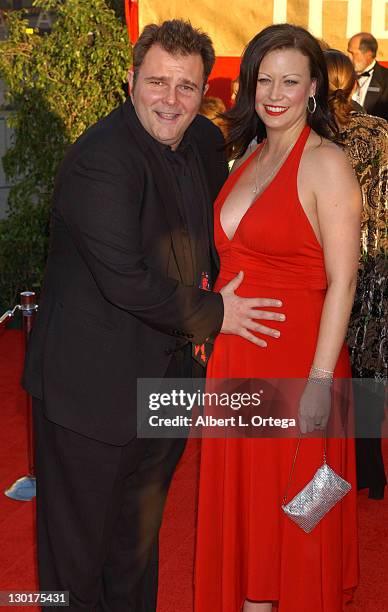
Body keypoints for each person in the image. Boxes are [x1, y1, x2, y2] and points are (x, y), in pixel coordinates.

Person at [22, 20, 285, 611]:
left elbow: (222, 233)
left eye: (187, 87)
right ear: (131, 79)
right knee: (76, 561)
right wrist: (220, 313)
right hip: (88, 393)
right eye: (159, 82)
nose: (172, 100)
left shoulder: (202, 145)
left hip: (166, 384)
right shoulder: (100, 161)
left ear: (202, 92)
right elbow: (127, 282)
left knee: (136, 549)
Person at [194, 24, 361, 611]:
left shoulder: (327, 164)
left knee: (298, 515)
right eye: (264, 79)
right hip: (237, 361)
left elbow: (344, 280)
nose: (275, 92)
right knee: (247, 516)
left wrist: (320, 383)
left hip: (299, 369)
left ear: (314, 86)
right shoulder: (248, 154)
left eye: (290, 80)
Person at [325, 48, 387, 500]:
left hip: (331, 268)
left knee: (326, 372)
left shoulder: (316, 135)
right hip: (379, 267)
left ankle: (331, 478)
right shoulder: (381, 130)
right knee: (369, 373)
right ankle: (372, 471)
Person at [347, 32, 388, 120]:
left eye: (352, 53)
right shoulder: (344, 74)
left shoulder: (386, 80)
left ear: (368, 54)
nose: (348, 57)